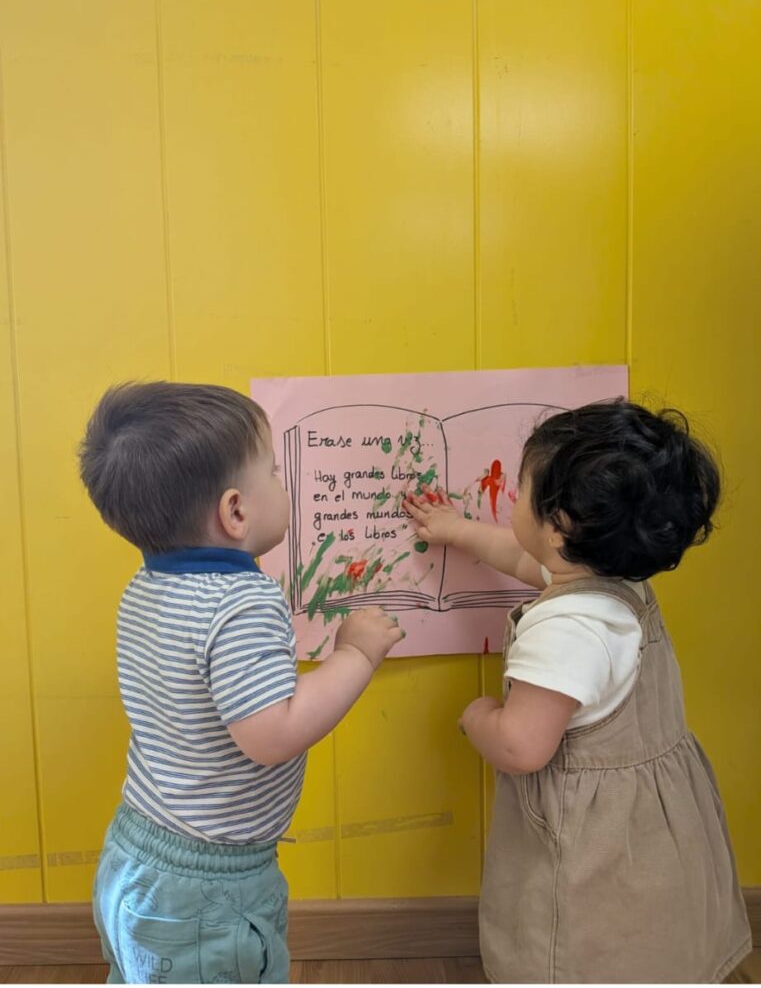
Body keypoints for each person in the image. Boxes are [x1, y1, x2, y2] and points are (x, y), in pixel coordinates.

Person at [404, 399, 751, 983]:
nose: (511, 501)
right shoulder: (615, 578)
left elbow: (521, 746)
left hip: (591, 838)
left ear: (560, 526)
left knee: (579, 940)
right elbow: (523, 557)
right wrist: (458, 531)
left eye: (518, 492)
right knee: (645, 929)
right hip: (653, 821)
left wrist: (479, 714)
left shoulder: (567, 629)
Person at [79, 381, 403, 984]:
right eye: (275, 472)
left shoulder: (146, 590)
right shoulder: (241, 603)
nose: (284, 484)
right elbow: (271, 735)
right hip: (206, 884)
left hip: (139, 848)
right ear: (235, 511)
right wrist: (354, 654)